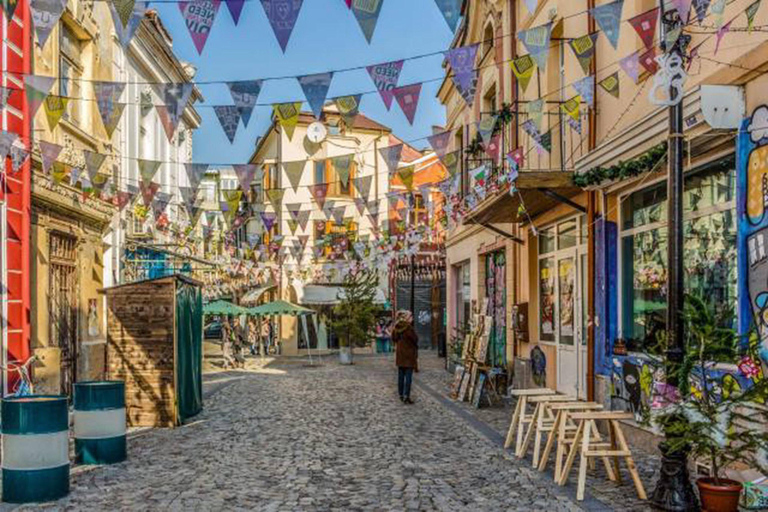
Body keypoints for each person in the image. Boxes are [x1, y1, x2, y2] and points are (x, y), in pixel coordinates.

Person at [392, 310, 418, 404]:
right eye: (411, 317)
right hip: (409, 355)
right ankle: (406, 395)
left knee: (401, 376)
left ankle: (401, 395)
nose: (412, 319)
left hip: (400, 355)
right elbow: (415, 339)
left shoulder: (396, 327)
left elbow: (393, 338)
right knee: (408, 377)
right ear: (407, 318)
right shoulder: (409, 328)